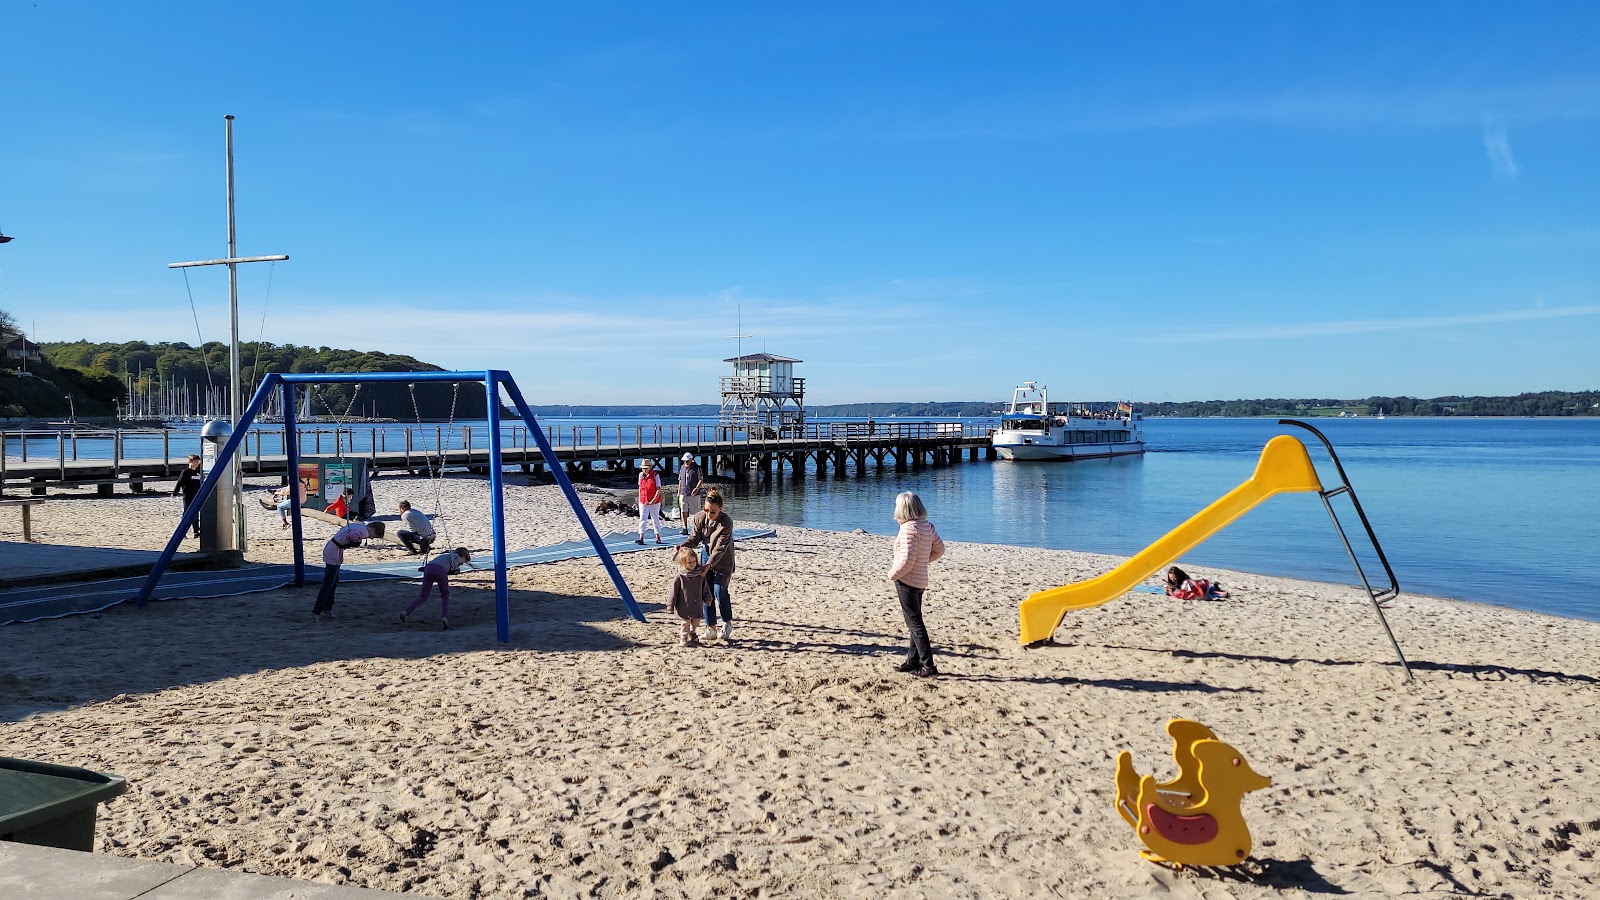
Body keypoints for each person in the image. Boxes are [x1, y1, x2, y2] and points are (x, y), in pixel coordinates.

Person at [888, 490, 945, 678]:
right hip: (920, 579)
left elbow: (906, 560)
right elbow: (939, 549)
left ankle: (928, 665)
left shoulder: (908, 530)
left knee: (915, 623)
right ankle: (912, 661)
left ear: (902, 509)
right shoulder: (926, 526)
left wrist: (893, 574)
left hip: (907, 580)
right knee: (915, 621)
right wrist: (923, 561)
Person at [682, 487, 735, 642]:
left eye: (713, 511)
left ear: (720, 509)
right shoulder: (699, 518)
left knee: (720, 591)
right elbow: (694, 539)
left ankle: (727, 623)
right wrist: (683, 546)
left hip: (723, 559)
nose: (709, 514)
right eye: (706, 510)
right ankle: (711, 628)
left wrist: (708, 566)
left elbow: (719, 549)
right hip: (705, 555)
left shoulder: (726, 522)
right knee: (706, 593)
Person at [313, 520, 385, 621]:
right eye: (374, 535)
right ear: (372, 529)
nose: (372, 537)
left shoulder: (360, 526)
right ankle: (317, 611)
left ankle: (327, 608)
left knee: (333, 582)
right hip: (333, 552)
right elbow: (353, 535)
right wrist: (356, 542)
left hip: (334, 550)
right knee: (328, 584)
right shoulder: (364, 532)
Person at [400, 547, 471, 630]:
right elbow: (454, 564)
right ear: (462, 555)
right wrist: (456, 570)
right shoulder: (456, 556)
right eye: (465, 560)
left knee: (423, 596)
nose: (463, 563)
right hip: (440, 571)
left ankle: (405, 612)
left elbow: (439, 565)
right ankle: (445, 617)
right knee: (445, 595)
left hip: (429, 568)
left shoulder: (444, 556)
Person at [664, 545, 714, 646]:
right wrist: (670, 605)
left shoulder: (699, 575)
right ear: (683, 563)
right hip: (684, 605)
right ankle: (683, 638)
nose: (692, 564)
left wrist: (708, 598)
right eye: (689, 562)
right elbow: (673, 590)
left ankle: (693, 632)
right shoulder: (680, 575)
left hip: (696, 605)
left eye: (694, 562)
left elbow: (705, 587)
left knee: (695, 622)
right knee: (685, 622)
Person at [172, 454, 203, 539]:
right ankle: (182, 532)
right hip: (188, 496)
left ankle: (196, 531)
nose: (197, 464)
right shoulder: (186, 472)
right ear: (190, 462)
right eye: (195, 462)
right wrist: (175, 493)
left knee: (196, 514)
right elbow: (180, 483)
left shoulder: (198, 472)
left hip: (197, 495)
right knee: (187, 513)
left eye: (198, 462)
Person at [635, 460, 664, 545]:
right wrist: (639, 500)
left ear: (650, 467)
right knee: (642, 518)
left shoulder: (655, 475)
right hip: (643, 500)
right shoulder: (641, 475)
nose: (644, 470)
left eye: (645, 468)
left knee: (655, 518)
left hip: (654, 501)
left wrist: (654, 500)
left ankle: (658, 537)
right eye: (643, 468)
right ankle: (641, 537)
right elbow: (640, 488)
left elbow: (658, 489)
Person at [1164, 566, 1230, 601]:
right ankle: (1216, 588)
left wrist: (1174, 591)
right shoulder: (1173, 581)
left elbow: (1187, 589)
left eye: (1174, 577)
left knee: (1208, 592)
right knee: (1209, 591)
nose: (1172, 579)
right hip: (1193, 588)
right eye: (1171, 578)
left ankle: (1220, 592)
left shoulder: (1185, 578)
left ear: (1177, 575)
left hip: (1195, 588)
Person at [676, 452, 702, 536]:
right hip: (683, 492)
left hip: (693, 493)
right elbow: (680, 480)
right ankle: (685, 528)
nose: (685, 462)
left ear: (691, 460)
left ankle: (698, 528)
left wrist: (696, 488)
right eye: (684, 461)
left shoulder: (697, 468)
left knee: (695, 512)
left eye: (687, 461)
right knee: (683, 510)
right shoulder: (682, 467)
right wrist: (679, 491)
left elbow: (700, 479)